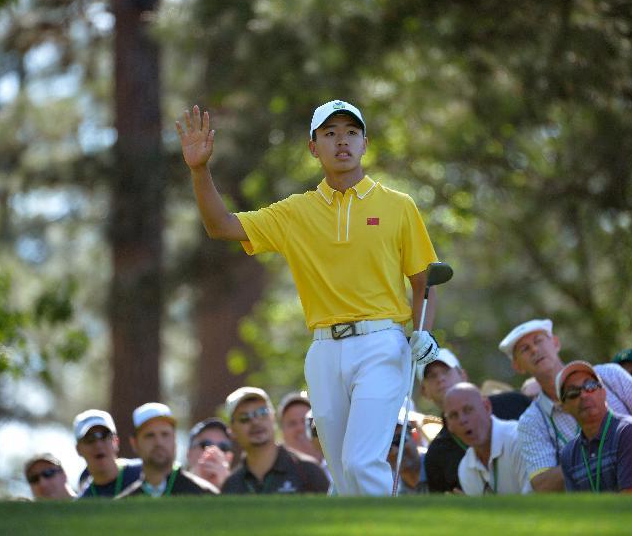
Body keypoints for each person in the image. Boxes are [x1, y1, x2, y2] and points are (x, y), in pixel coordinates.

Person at [177, 100, 441, 496]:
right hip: (323, 351)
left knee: (361, 461)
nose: (341, 142)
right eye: (330, 134)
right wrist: (199, 170)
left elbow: (425, 282)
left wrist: (424, 333)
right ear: (313, 147)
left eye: (351, 132)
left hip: (383, 343)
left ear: (365, 142)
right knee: (342, 473)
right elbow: (221, 226)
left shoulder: (398, 206)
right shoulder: (296, 212)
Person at [499, 319, 632, 492]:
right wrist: (596, 457)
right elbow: (542, 484)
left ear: (555, 343)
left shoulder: (610, 375)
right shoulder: (531, 421)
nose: (534, 349)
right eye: (524, 349)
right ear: (517, 366)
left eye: (538, 341)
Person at [419, 348, 530, 493]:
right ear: (424, 391)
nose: (440, 379)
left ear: (463, 375)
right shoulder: (448, 460)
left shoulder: (515, 404)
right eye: (432, 376)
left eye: (446, 371)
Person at [557, 362, 632, 493]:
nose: (584, 395)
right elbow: (577, 511)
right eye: (573, 392)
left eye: (590, 386)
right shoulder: (568, 454)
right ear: (563, 408)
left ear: (603, 392)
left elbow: (630, 504)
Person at [220, 387, 330, 494]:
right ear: (232, 430)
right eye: (244, 417)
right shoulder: (231, 485)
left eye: (262, 412)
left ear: (273, 418)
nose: (255, 421)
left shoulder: (308, 471)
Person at [443, 383, 530, 495]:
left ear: (487, 407)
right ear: (449, 426)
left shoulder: (519, 439)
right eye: (454, 415)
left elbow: (535, 506)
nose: (462, 420)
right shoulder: (465, 469)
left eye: (468, 410)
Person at [116, 403, 219, 497]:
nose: (159, 442)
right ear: (134, 443)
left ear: (174, 439)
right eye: (150, 436)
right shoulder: (124, 504)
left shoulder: (204, 495)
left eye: (165, 434)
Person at [73, 408, 142, 499]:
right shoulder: (82, 504)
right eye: (89, 439)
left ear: (116, 442)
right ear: (78, 449)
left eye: (105, 436)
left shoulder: (144, 473)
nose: (98, 445)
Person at [186, 417, 235, 490]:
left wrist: (227, 486)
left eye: (223, 447)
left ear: (230, 458)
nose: (214, 451)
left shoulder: (245, 491)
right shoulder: (171, 488)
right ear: (189, 454)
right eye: (205, 444)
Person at [277, 391, 322, 462]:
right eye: (292, 423)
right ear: (282, 432)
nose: (300, 428)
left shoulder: (340, 464)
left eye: (305, 420)